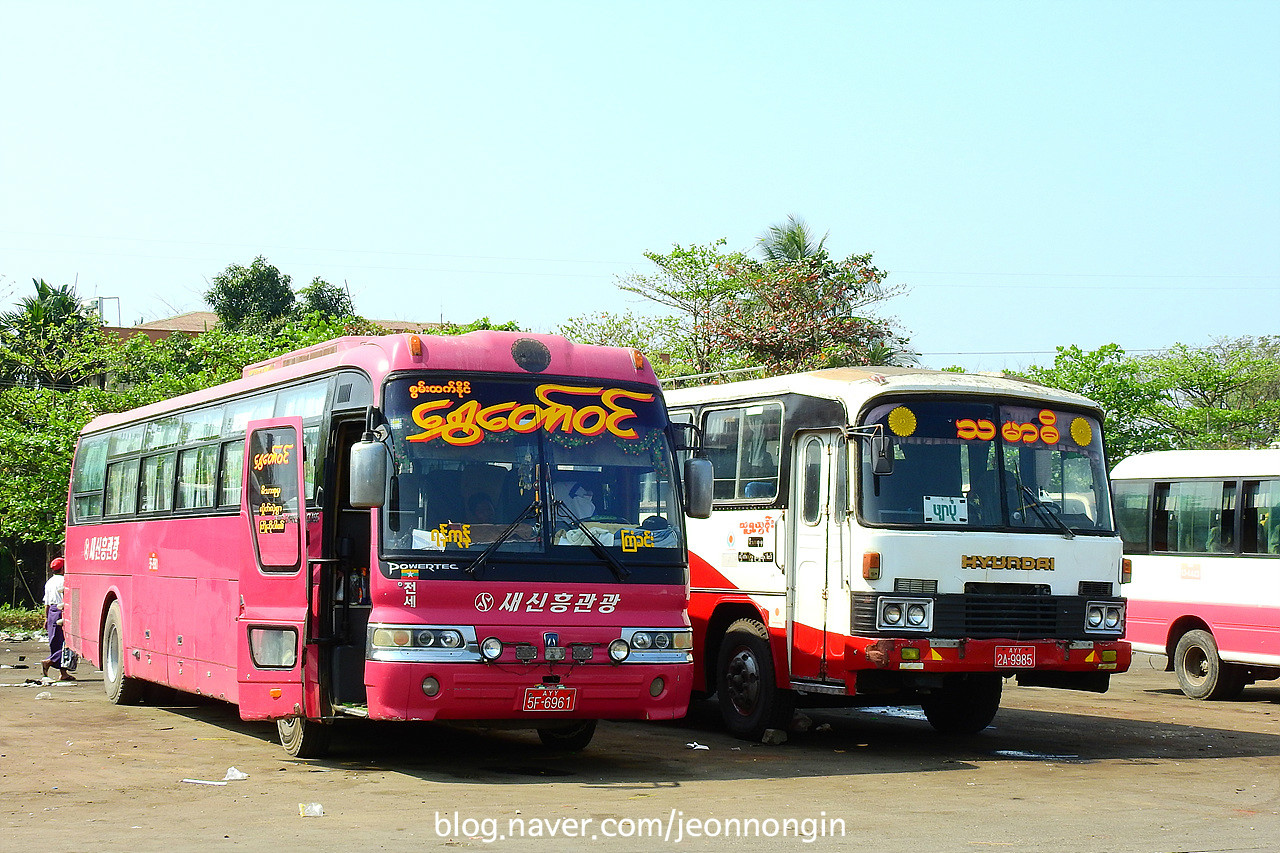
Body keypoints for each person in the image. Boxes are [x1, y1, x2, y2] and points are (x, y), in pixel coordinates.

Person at [42, 557, 75, 682]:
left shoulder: (49, 582)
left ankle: (63, 673)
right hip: (62, 611)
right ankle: (49, 661)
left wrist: (46, 618)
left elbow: (47, 603)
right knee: (66, 643)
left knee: (56, 642)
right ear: (63, 568)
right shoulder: (64, 581)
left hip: (52, 612)